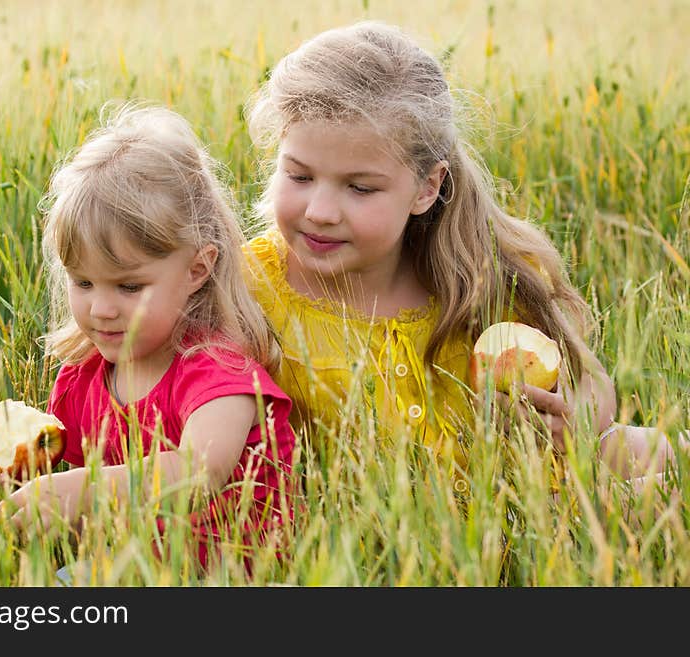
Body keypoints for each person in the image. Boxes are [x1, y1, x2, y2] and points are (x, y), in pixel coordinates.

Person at [240, 20, 686, 492]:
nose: (321, 211)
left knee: (635, 450)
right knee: (648, 498)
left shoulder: (474, 268)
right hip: (416, 528)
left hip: (524, 495)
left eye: (360, 187)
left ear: (426, 188)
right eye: (300, 176)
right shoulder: (251, 289)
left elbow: (593, 384)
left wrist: (571, 416)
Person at [0, 104, 296, 573]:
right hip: (135, 569)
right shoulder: (82, 379)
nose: (101, 308)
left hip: (233, 572)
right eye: (83, 283)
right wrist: (26, 480)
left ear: (197, 269)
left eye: (129, 287)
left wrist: (79, 488)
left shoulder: (216, 371)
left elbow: (198, 473)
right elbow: (87, 509)